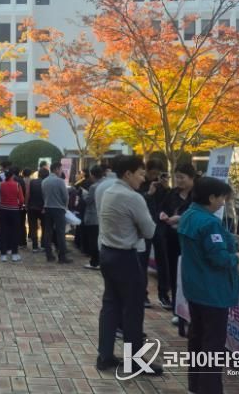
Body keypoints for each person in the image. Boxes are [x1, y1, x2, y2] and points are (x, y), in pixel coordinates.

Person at [178, 177, 239, 394]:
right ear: (211, 197)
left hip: (195, 288)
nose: (223, 202)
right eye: (222, 198)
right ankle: (210, 388)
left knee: (197, 338)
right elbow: (220, 259)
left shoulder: (189, 215)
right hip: (212, 291)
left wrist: (233, 241)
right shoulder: (209, 222)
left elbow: (211, 243)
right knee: (212, 344)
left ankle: (196, 385)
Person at [96, 155, 161, 376]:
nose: (143, 178)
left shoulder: (109, 191)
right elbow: (150, 231)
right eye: (141, 174)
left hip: (108, 253)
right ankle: (133, 362)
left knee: (110, 306)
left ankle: (104, 355)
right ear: (128, 174)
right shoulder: (133, 197)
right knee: (132, 310)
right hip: (126, 257)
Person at [157, 164, 195, 317]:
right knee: (174, 271)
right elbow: (162, 208)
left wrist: (180, 218)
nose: (179, 180)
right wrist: (163, 215)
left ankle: (191, 309)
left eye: (182, 177)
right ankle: (177, 309)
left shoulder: (198, 195)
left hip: (191, 239)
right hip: (172, 238)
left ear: (191, 178)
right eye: (177, 177)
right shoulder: (172, 193)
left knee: (190, 273)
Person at [139, 159, 170, 309]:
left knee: (163, 260)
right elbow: (138, 202)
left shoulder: (163, 186)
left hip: (160, 226)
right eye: (152, 173)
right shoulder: (140, 184)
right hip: (145, 226)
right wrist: (149, 193)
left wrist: (167, 188)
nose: (155, 177)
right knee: (142, 261)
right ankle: (142, 295)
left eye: (158, 174)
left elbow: (169, 205)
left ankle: (164, 294)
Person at [42, 161, 73, 263]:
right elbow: (66, 197)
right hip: (59, 209)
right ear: (56, 169)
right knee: (60, 233)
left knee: (48, 232)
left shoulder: (44, 181)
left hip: (47, 208)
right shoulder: (59, 181)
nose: (61, 171)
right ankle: (62, 256)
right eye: (60, 169)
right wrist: (65, 207)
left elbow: (44, 196)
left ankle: (49, 255)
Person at [0, 170, 25, 262]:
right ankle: (14, 254)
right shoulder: (17, 185)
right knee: (15, 232)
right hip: (14, 211)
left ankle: (3, 254)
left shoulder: (1, 184)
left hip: (2, 210)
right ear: (12, 176)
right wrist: (19, 206)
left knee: (3, 231)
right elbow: (21, 199)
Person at [83, 165, 105, 270]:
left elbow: (88, 201)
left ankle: (94, 262)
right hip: (102, 216)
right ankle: (100, 261)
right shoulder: (105, 184)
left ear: (92, 175)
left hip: (93, 216)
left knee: (93, 240)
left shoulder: (93, 187)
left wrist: (84, 194)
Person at [27, 168, 49, 252]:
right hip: (43, 208)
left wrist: (26, 204)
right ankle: (43, 245)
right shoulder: (47, 183)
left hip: (32, 207)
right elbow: (47, 196)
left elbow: (28, 194)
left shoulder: (32, 182)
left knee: (33, 227)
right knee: (45, 227)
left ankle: (35, 246)